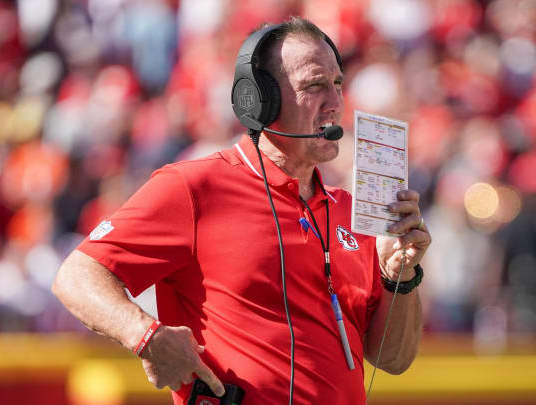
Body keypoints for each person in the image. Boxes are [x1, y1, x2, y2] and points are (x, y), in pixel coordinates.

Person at [52, 17, 430, 405]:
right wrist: (146, 336)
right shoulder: (194, 187)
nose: (335, 103)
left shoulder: (352, 210)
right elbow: (76, 276)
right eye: (314, 85)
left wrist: (398, 276)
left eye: (337, 84)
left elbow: (393, 359)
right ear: (260, 100)